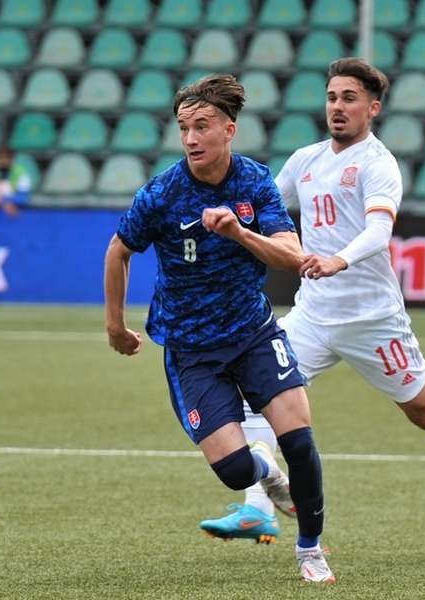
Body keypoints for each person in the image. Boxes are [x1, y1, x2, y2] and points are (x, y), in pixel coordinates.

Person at [200, 58, 425, 542]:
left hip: (372, 320)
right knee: (255, 398)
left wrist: (338, 258)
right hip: (314, 314)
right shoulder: (305, 160)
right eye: (332, 97)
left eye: (350, 98)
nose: (338, 107)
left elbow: (380, 231)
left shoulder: (379, 165)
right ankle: (259, 508)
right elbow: (260, 212)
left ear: (373, 108)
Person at [103, 74, 335, 584]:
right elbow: (119, 250)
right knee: (234, 471)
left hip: (253, 333)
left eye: (202, 126)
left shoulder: (254, 183)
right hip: (191, 351)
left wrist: (239, 231)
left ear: (229, 130)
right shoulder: (161, 193)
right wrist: (116, 326)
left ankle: (311, 551)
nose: (190, 138)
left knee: (299, 439)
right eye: (184, 128)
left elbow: (293, 256)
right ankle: (265, 475)